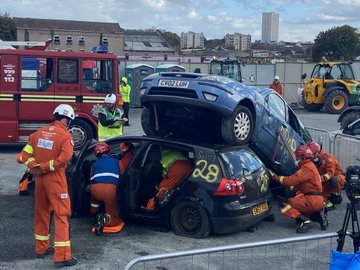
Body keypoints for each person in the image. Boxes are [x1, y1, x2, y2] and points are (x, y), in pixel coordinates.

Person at [16, 104, 77, 268]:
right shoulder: (65, 136)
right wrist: (44, 167)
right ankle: (62, 257)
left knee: (42, 213)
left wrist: (34, 166)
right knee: (61, 215)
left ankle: (41, 248)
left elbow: (22, 157)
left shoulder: (38, 134)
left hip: (40, 181)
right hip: (55, 180)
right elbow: (63, 160)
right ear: (68, 119)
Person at [270, 144, 325, 233]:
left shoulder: (306, 168)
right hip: (316, 199)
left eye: (297, 157)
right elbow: (299, 185)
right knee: (297, 201)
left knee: (285, 203)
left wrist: (275, 177)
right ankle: (317, 217)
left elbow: (290, 181)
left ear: (303, 157)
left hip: (312, 200)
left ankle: (305, 221)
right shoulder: (310, 166)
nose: (296, 159)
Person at [89, 142, 125, 236]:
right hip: (110, 190)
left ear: (97, 154)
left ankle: (94, 213)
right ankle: (104, 219)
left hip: (95, 190)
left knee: (94, 199)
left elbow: (91, 178)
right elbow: (123, 176)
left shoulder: (94, 164)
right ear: (108, 151)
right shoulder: (117, 161)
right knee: (113, 218)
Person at [307, 141, 345, 210]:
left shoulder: (328, 157)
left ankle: (335, 199)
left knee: (336, 180)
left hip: (335, 178)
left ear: (317, 152)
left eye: (312, 155)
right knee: (319, 197)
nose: (311, 157)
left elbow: (330, 174)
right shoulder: (313, 160)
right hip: (325, 181)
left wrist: (319, 179)